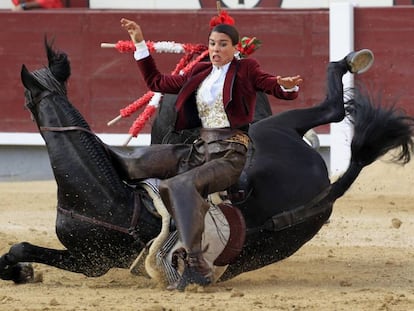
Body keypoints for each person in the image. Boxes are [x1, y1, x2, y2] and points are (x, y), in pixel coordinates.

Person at [118, 17, 303, 290]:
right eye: (212, 44)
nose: (216, 49)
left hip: (230, 153)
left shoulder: (246, 69)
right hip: (199, 150)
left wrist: (286, 85)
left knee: (178, 185)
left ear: (235, 48)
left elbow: (273, 86)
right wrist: (139, 43)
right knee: (138, 161)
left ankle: (197, 265)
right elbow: (157, 82)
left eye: (223, 45)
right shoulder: (201, 71)